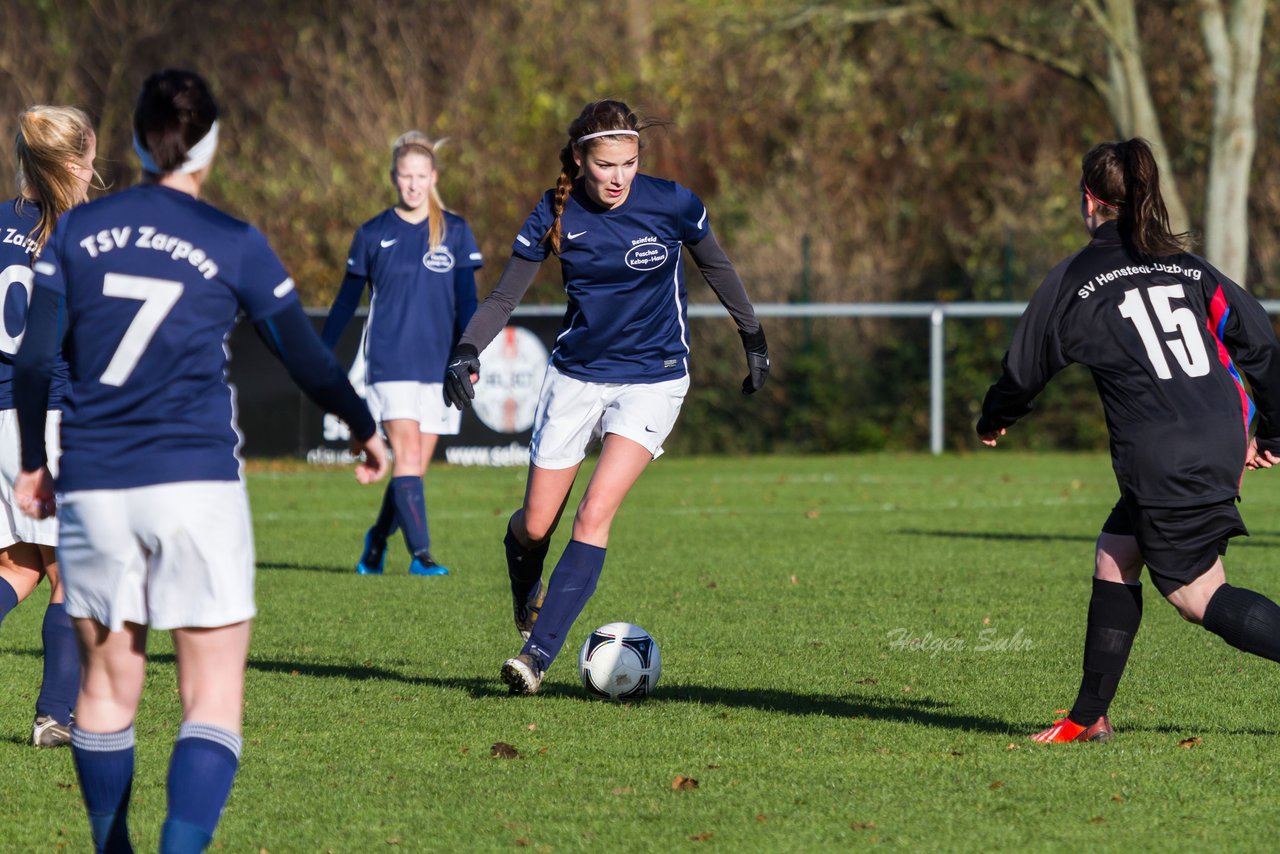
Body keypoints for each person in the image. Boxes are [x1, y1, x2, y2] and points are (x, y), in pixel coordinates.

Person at [13, 69, 388, 853]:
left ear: (137, 144)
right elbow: (309, 360)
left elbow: (38, 363)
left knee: (109, 696)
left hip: (97, 484)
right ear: (209, 143)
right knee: (210, 698)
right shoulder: (231, 240)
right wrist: (361, 424)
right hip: (194, 482)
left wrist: (31, 464)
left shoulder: (78, 233)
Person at [444, 99, 770, 695]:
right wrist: (467, 350)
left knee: (594, 512)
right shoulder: (553, 211)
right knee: (536, 525)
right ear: (579, 159)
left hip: (654, 378)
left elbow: (718, 266)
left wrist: (753, 336)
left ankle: (536, 656)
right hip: (575, 377)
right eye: (606, 165)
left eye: (629, 162)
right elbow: (501, 299)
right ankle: (527, 588)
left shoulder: (673, 203)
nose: (619, 177)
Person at [977, 137, 1280, 743]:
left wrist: (995, 416)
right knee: (1117, 554)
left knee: (1198, 594)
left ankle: (1086, 718)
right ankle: (1088, 717)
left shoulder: (1074, 279)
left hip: (1163, 455)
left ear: (1091, 202)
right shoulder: (1188, 268)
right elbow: (1262, 347)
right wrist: (1269, 427)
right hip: (1215, 434)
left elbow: (1024, 370)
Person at [322, 131, 481, 577]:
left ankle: (376, 541)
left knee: (413, 468)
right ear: (394, 177)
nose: (413, 185)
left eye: (420, 176)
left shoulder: (455, 231)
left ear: (433, 177)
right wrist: (318, 353)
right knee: (407, 455)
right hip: (389, 362)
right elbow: (344, 303)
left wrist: (469, 356)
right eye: (405, 176)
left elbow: (468, 304)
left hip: (439, 365)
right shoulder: (372, 233)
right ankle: (422, 556)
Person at [0, 105, 99, 747]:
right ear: (66, 163)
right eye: (89, 162)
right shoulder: (76, 235)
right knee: (76, 574)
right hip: (51, 420)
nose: (94, 174)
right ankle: (56, 716)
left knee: (18, 567)